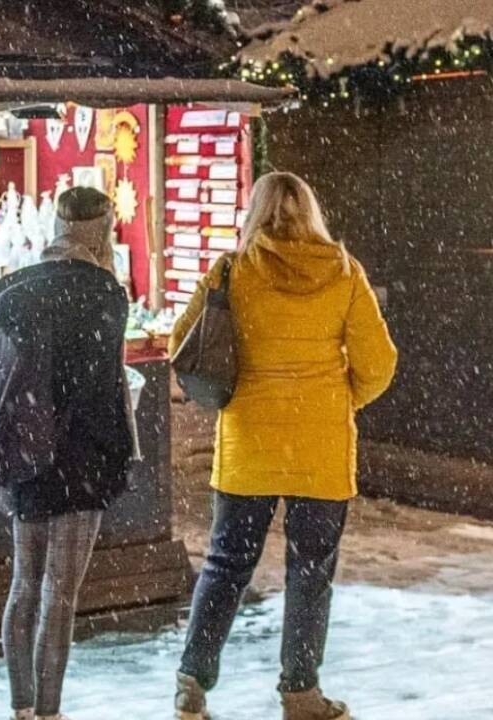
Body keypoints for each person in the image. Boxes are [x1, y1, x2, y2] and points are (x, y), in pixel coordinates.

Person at [169, 172, 397, 720]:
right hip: (319, 449)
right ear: (312, 212)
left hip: (250, 443)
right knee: (311, 571)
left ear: (255, 211)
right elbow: (380, 363)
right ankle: (300, 693)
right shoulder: (343, 273)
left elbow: (183, 344)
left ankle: (192, 683)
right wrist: (340, 402)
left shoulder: (232, 270)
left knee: (225, 566)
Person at [0, 187, 136, 720]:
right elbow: (106, 388)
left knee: (23, 583)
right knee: (62, 592)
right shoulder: (106, 294)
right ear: (102, 228)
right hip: (85, 454)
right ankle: (50, 711)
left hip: (27, 447)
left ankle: (20, 707)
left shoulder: (16, 290)